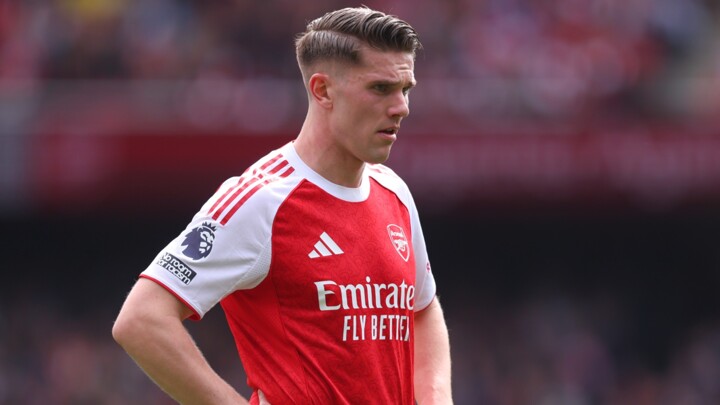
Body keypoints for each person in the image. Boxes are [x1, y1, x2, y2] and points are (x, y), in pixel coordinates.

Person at [112, 6, 452, 404]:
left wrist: (435, 398)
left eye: (405, 89)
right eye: (380, 88)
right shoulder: (261, 201)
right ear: (322, 90)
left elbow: (422, 309)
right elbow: (141, 320)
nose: (401, 107)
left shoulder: (394, 193)